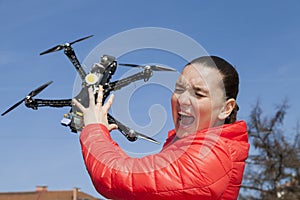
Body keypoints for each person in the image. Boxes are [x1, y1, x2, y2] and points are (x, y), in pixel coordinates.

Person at [73, 56, 250, 200]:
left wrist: (94, 129)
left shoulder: (210, 155)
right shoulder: (187, 148)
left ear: (226, 109)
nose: (182, 100)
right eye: (179, 89)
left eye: (199, 93)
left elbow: (116, 177)